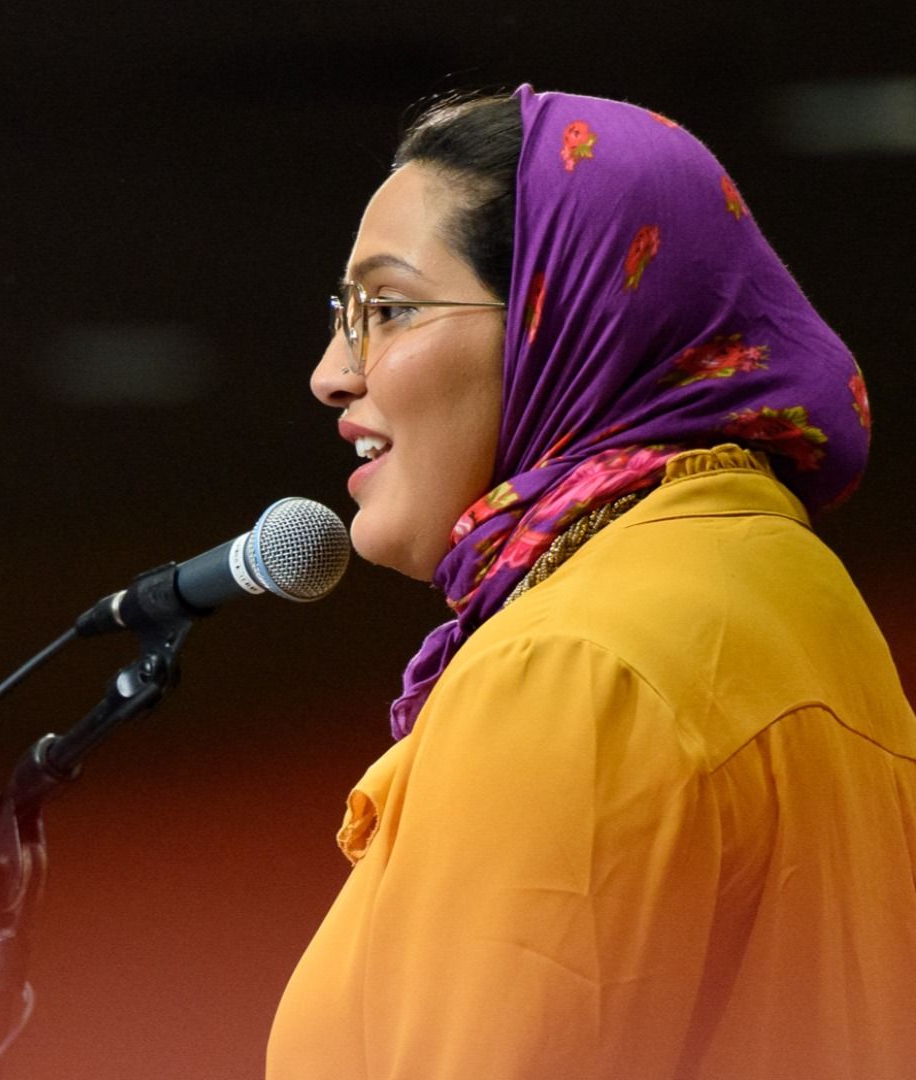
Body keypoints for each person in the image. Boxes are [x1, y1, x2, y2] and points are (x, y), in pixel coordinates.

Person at [267, 86, 916, 1078]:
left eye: (388, 309)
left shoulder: (569, 667)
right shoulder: (802, 600)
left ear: (561, 319)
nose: (331, 372)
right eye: (343, 317)